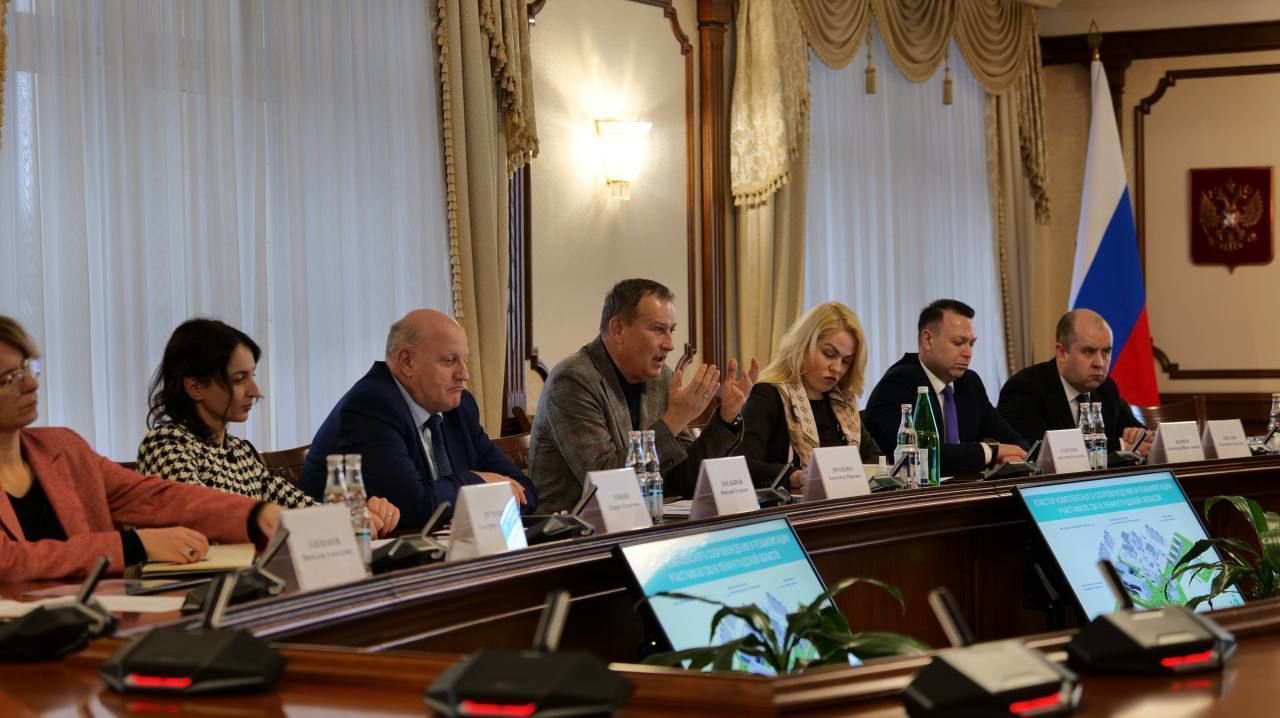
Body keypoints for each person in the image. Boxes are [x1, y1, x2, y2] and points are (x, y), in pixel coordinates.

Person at [0, 316, 282, 581]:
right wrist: (133, 545)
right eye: (8, 378)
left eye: (27, 368)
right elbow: (8, 559)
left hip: (95, 610)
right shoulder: (168, 443)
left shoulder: (63, 448)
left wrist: (254, 514)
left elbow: (155, 497)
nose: (32, 384)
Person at [137, 318, 400, 534]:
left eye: (252, 376)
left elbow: (302, 508)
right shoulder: (165, 444)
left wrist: (356, 515)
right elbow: (199, 519)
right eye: (239, 379)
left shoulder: (239, 451)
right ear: (195, 387)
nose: (255, 390)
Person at [529, 278, 758, 513]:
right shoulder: (573, 380)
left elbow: (686, 478)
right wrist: (674, 420)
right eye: (658, 329)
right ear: (618, 329)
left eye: (671, 330)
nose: (670, 344)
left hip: (642, 522)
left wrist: (726, 418)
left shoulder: (661, 379)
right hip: (573, 529)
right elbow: (605, 483)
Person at [301, 309, 536, 529]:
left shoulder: (460, 407)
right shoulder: (370, 406)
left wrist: (481, 499)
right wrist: (478, 483)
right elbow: (413, 507)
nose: (463, 374)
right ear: (407, 362)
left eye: (465, 360)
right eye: (449, 360)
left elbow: (526, 491)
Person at [865, 299, 1028, 474]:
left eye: (971, 344)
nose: (968, 353)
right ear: (928, 340)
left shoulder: (970, 383)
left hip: (963, 486)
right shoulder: (897, 384)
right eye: (958, 342)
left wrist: (1017, 456)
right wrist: (991, 452)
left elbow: (1012, 440)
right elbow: (923, 455)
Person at [739, 302, 881, 491]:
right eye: (829, 354)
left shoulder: (843, 403)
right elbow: (744, 467)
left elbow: (875, 460)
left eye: (846, 361)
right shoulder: (768, 395)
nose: (837, 368)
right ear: (803, 346)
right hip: (792, 506)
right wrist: (795, 477)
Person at [998, 308, 1150, 454]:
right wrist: (1121, 446)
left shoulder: (1106, 388)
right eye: (1088, 351)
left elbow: (1143, 437)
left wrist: (1137, 434)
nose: (1100, 363)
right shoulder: (1024, 388)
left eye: (1106, 352)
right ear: (1062, 353)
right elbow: (1043, 451)